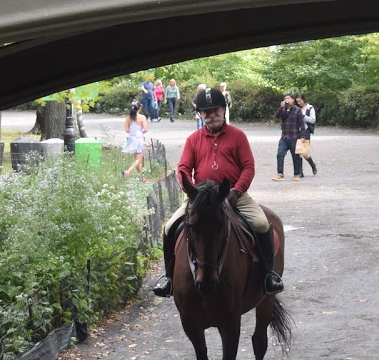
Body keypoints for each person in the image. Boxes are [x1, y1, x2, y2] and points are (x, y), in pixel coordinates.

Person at [152, 86, 282, 297]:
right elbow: (184, 168)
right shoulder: (193, 139)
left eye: (216, 110)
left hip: (233, 193)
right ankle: (168, 278)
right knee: (169, 227)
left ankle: (269, 275)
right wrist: (192, 191)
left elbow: (248, 167)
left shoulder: (237, 136)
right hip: (201, 197)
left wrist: (237, 191)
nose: (211, 115)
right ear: (200, 114)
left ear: (223, 110)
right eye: (206, 112)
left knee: (261, 223)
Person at [273, 92, 307, 180]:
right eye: (285, 98)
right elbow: (276, 116)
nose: (287, 100)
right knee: (280, 154)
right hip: (284, 137)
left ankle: (297, 174)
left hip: (294, 136)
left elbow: (301, 124)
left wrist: (303, 136)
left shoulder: (297, 110)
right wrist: (281, 107)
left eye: (288, 98)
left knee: (295, 156)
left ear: (293, 100)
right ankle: (280, 173)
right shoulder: (283, 109)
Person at [121, 101, 150, 179]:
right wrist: (140, 132)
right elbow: (145, 129)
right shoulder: (142, 117)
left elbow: (127, 130)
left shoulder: (128, 118)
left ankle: (142, 177)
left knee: (137, 160)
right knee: (138, 159)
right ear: (139, 108)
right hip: (139, 139)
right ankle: (128, 172)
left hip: (131, 140)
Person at [295, 94, 318, 176]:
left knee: (305, 153)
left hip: (306, 130)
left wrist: (303, 116)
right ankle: (300, 171)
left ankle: (312, 165)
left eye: (300, 101)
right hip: (296, 131)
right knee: (297, 152)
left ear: (304, 100)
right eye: (297, 101)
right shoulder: (296, 108)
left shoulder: (310, 108)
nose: (299, 103)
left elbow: (312, 120)